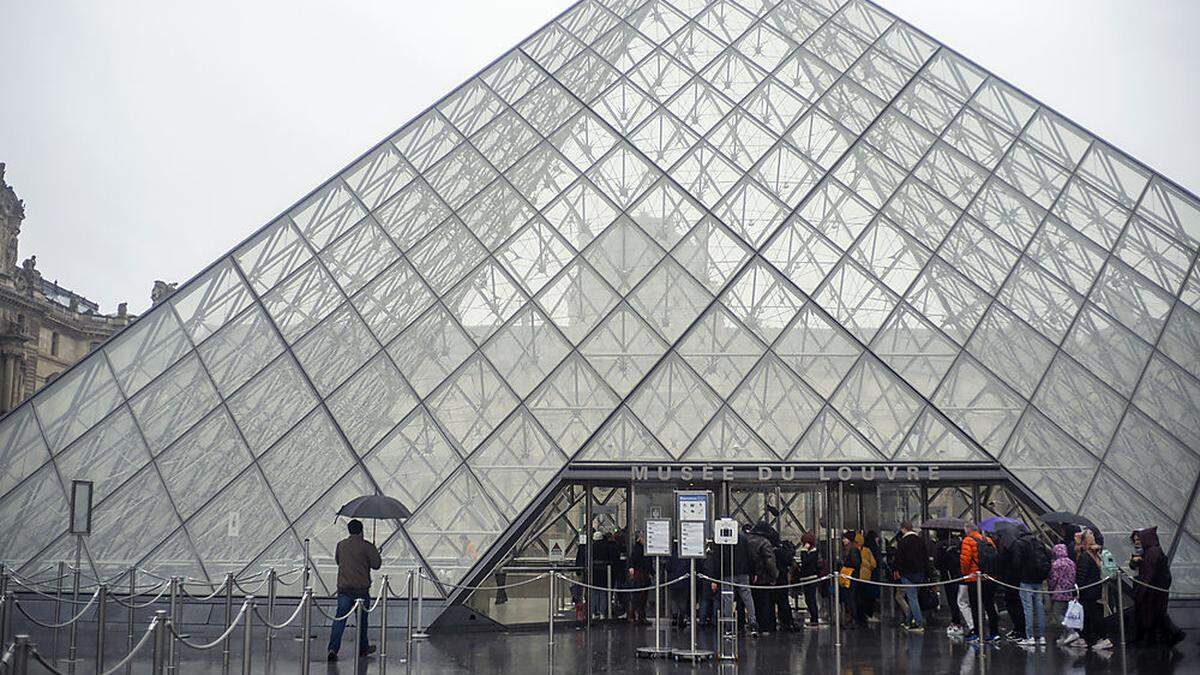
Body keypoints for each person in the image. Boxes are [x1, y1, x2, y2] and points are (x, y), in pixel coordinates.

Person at [327, 519, 380, 661]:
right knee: (362, 621)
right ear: (361, 530)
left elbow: (338, 561)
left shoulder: (341, 545)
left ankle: (333, 648)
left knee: (340, 619)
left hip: (344, 589)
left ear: (349, 530)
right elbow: (376, 565)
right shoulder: (367, 546)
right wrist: (374, 551)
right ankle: (363, 648)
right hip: (361, 590)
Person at [1130, 527, 1185, 646]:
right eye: (1135, 540)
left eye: (1139, 539)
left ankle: (1173, 635)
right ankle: (1167, 637)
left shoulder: (1152, 552)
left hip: (1154, 589)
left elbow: (1149, 573)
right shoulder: (1150, 551)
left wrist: (1141, 591)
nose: (1137, 542)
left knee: (1157, 614)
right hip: (1155, 588)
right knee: (1157, 614)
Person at [1073, 530, 1112, 651]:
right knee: (1090, 615)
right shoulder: (1095, 554)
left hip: (1087, 591)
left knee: (1093, 615)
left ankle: (1103, 638)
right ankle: (1087, 638)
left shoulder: (1084, 556)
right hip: (1094, 589)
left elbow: (1081, 575)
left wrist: (1076, 590)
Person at [960, 523, 999, 642]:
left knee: (976, 607)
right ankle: (994, 632)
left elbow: (965, 560)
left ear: (967, 531)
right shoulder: (988, 540)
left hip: (974, 578)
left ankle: (977, 633)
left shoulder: (967, 540)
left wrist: (965, 574)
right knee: (989, 605)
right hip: (989, 577)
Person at [1014, 527, 1050, 647]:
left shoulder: (1020, 544)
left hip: (1026, 580)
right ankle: (1042, 636)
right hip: (1038, 579)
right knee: (1039, 607)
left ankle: (1030, 636)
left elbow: (1017, 562)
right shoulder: (1039, 542)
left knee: (1028, 609)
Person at [746, 521, 779, 634]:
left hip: (748, 577)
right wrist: (774, 575)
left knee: (751, 602)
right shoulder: (765, 542)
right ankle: (765, 627)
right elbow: (769, 562)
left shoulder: (746, 540)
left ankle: (753, 625)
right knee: (765, 603)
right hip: (763, 578)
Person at [895, 522, 927, 632]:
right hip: (920, 573)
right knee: (913, 598)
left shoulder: (902, 542)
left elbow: (899, 559)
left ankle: (919, 623)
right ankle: (908, 622)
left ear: (903, 529)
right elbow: (925, 557)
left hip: (907, 574)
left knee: (912, 599)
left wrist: (897, 570)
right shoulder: (920, 541)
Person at [995, 526, 1026, 641]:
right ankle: (1019, 629)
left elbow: (1010, 563)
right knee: (1017, 604)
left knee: (1013, 604)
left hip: (1010, 580)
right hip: (1017, 579)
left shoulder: (1007, 547)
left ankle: (1019, 630)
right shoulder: (1016, 544)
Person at [935, 531, 967, 635]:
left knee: (952, 600)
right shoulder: (959, 543)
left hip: (948, 575)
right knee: (961, 599)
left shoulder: (940, 545)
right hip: (961, 574)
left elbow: (937, 562)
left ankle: (956, 621)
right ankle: (964, 620)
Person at [731, 524, 759, 636]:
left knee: (728, 598)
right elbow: (751, 557)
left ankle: (729, 625)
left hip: (729, 573)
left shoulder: (723, 539)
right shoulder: (745, 540)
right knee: (747, 598)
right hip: (744, 572)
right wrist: (753, 572)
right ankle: (752, 622)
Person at [1049, 543, 1078, 646]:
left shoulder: (1056, 564)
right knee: (1066, 615)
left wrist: (1050, 590)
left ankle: (1071, 632)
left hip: (1058, 593)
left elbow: (1053, 579)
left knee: (1058, 615)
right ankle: (1065, 636)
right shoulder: (1071, 562)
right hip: (1069, 592)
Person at [840, 531, 864, 628]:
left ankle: (853, 619)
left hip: (851, 576)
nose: (843, 540)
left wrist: (846, 565)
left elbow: (856, 563)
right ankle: (852, 618)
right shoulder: (851, 549)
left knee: (851, 598)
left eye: (845, 539)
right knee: (850, 598)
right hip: (851, 576)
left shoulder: (852, 550)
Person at [798, 533, 822, 627]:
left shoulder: (813, 552)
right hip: (806, 578)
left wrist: (804, 550)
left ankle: (814, 619)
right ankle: (813, 618)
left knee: (811, 599)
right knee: (808, 599)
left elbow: (805, 561)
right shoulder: (813, 552)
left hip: (811, 578)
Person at [627, 530, 651, 624]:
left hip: (641, 574)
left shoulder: (637, 548)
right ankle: (638, 616)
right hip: (641, 575)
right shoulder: (639, 549)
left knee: (638, 597)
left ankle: (635, 615)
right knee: (640, 597)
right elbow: (641, 561)